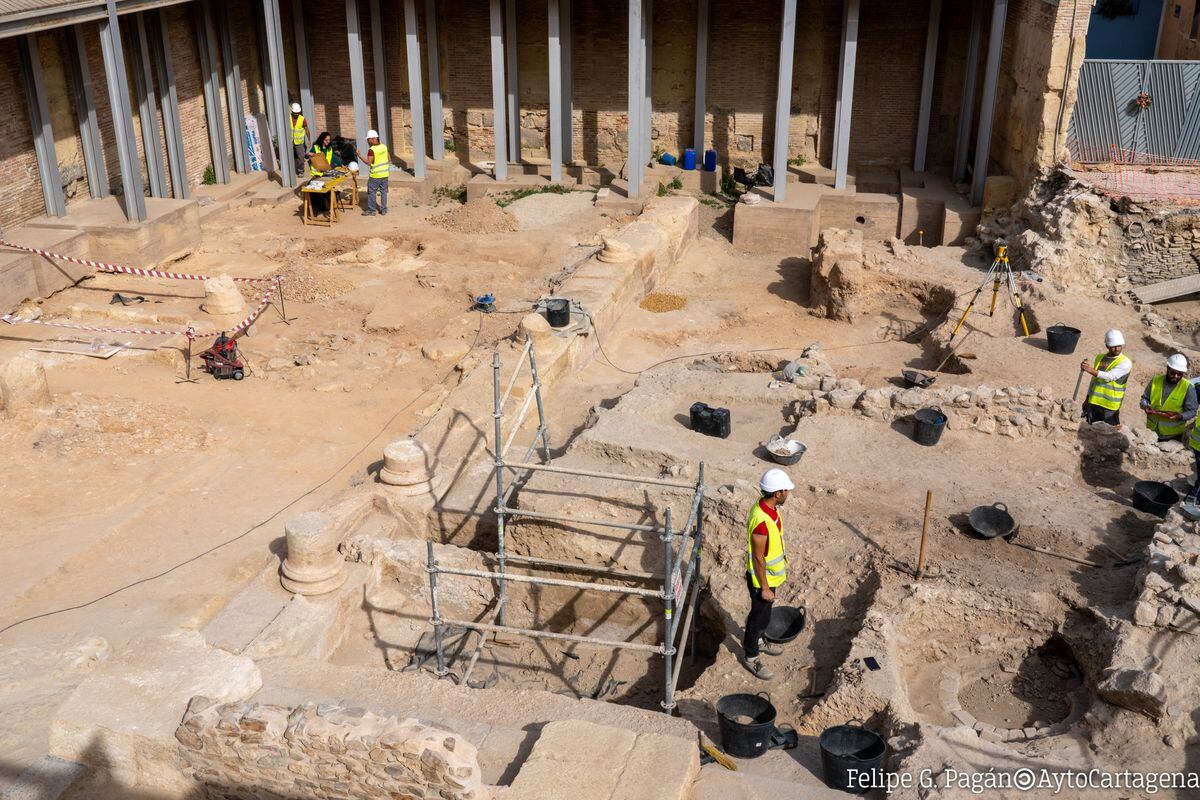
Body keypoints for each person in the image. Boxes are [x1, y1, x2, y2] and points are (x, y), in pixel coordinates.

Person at [742, 467, 793, 681]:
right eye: (786, 490)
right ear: (777, 493)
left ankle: (760, 641)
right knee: (758, 619)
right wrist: (763, 588)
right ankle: (751, 656)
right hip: (761, 580)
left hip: (770, 577)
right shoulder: (762, 522)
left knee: (763, 616)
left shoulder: (770, 508)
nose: (788, 494)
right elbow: (758, 558)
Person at [1080, 329, 1132, 430]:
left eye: (1119, 346)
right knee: (1093, 431)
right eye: (1113, 346)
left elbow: (1110, 376)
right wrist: (1087, 399)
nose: (1116, 349)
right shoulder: (1100, 358)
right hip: (1094, 401)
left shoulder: (1125, 362)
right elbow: (1094, 381)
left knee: (1110, 432)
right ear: (1107, 346)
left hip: (1110, 405)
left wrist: (1089, 369)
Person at [1140, 354, 1197, 442]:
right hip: (1151, 431)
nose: (1176, 376)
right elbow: (1145, 398)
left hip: (1173, 435)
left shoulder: (1188, 387)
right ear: (1167, 368)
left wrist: (1180, 416)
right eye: (1173, 373)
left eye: (1179, 374)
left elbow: (1192, 411)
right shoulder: (1155, 380)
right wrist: (1145, 406)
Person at [356, 129, 390, 216]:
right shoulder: (384, 147)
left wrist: (359, 156)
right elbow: (389, 159)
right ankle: (383, 209)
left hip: (375, 175)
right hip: (385, 174)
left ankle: (372, 210)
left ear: (372, 139)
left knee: (372, 192)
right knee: (383, 192)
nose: (368, 141)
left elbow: (368, 162)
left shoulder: (372, 150)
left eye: (368, 139)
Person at [289, 103, 310, 177]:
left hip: (299, 142)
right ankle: (289, 171)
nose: (296, 114)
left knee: (301, 157)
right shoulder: (288, 118)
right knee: (289, 157)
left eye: (298, 113)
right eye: (295, 113)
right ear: (292, 112)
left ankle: (301, 171)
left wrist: (309, 140)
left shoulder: (302, 119)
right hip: (289, 142)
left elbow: (306, 129)